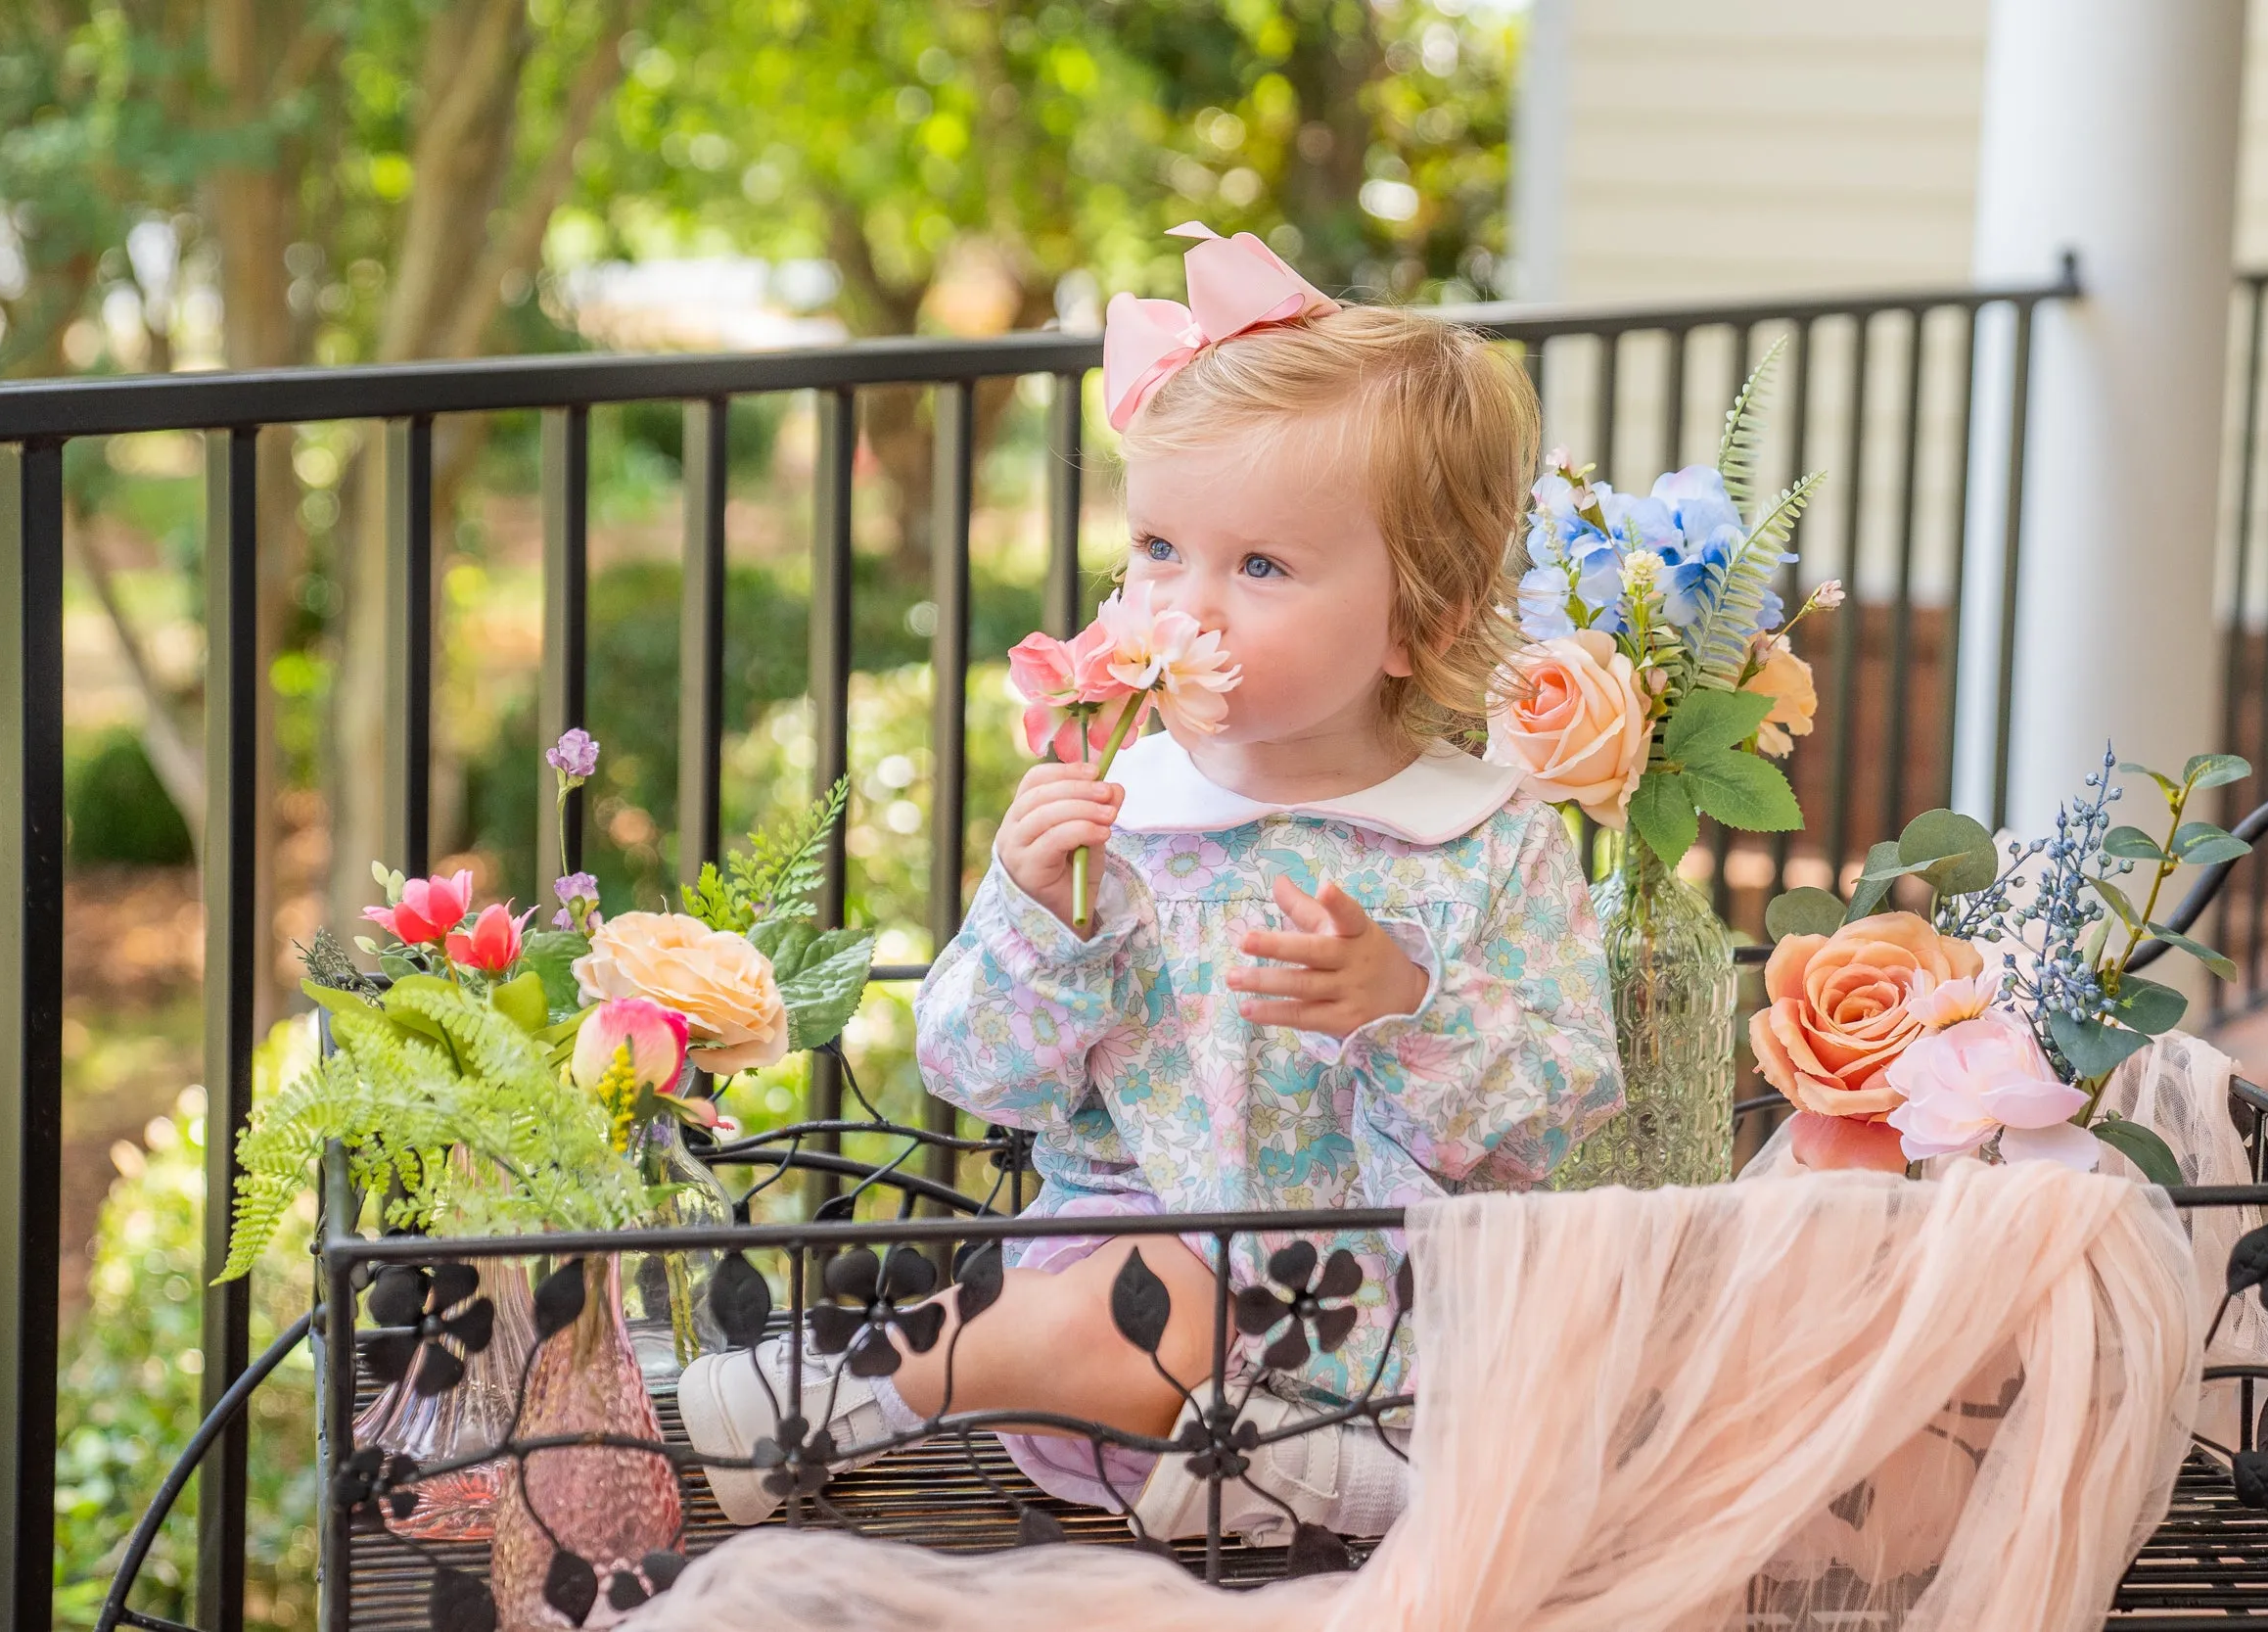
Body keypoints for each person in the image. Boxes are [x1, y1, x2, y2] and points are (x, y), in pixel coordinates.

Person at [679, 224, 1622, 1545]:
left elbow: (1564, 1103)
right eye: (1160, 548)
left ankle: (1332, 1466)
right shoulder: (1125, 819)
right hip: (1113, 1345)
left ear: (1426, 615)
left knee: (1429, 1335)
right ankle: (851, 1394)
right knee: (1150, 1285)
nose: (1190, 606)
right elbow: (976, 1068)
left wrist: (1401, 1005)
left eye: (1261, 566)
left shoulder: (1482, 839)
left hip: (1387, 1321)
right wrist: (1039, 916)